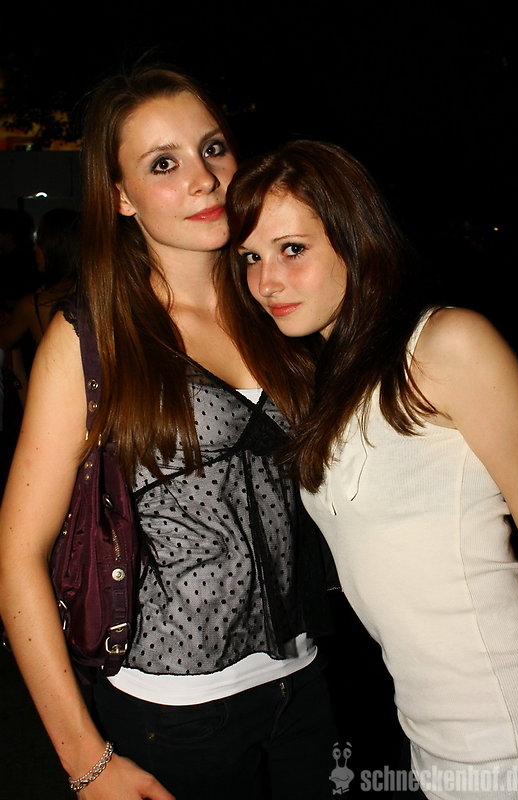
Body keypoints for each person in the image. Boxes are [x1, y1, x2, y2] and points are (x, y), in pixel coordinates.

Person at [0, 69, 337, 800]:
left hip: (307, 678)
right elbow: (18, 556)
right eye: (163, 163)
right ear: (120, 196)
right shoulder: (91, 339)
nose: (203, 178)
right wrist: (85, 761)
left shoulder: (280, 305)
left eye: (213, 148)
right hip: (173, 712)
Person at [220, 139, 518, 799]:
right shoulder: (326, 379)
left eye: (292, 249)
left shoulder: (445, 346)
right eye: (250, 257)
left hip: (509, 722)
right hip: (426, 727)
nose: (266, 281)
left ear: (355, 241)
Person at [0, 207, 80, 352]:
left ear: (54, 249)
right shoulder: (98, 294)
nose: (35, 249)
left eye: (40, 243)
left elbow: (4, 340)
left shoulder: (34, 305)